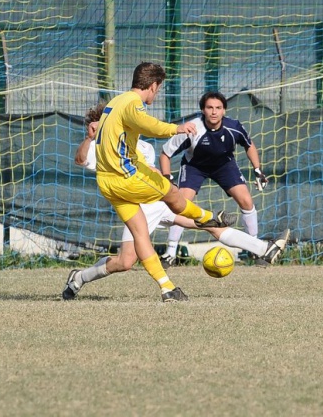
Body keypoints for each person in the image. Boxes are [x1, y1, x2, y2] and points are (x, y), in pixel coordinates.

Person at [61, 101, 290, 301]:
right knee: (125, 261)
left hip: (159, 203)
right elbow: (80, 159)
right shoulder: (101, 147)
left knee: (210, 225)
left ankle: (262, 249)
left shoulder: (143, 146)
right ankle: (79, 277)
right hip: (138, 208)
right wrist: (90, 138)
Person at [63, 61, 233, 303]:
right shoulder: (133, 103)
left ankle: (167, 288)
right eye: (158, 88)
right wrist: (177, 128)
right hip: (127, 176)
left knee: (140, 236)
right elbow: (148, 125)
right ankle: (207, 217)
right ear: (153, 86)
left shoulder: (116, 101)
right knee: (172, 194)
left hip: (108, 182)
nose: (157, 93)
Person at [158, 91, 270, 266]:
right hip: (194, 166)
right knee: (181, 205)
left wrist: (257, 170)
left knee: (246, 200)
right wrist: (167, 178)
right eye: (209, 107)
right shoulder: (192, 129)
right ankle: (170, 252)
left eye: (218, 108)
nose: (214, 112)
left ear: (224, 110)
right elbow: (165, 154)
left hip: (224, 166)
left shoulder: (234, 127)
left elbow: (249, 145)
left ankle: (254, 250)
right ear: (203, 109)